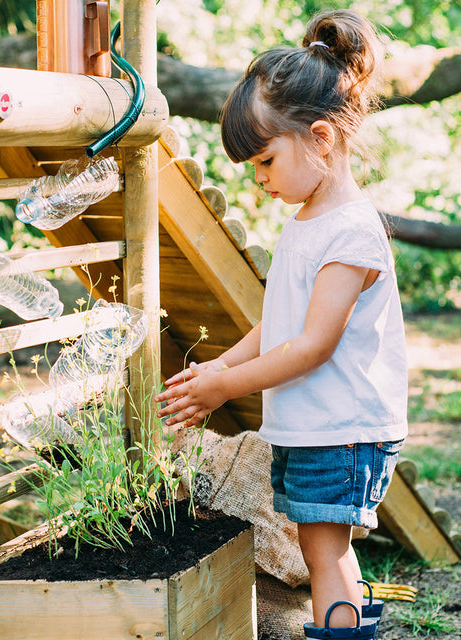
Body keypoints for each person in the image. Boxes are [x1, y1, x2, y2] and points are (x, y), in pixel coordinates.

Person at [154, 9, 408, 637]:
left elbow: (314, 345)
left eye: (265, 161)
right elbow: (279, 322)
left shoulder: (350, 232)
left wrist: (224, 389)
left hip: (343, 430)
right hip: (315, 425)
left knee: (324, 553)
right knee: (323, 550)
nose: (260, 180)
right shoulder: (306, 221)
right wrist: (221, 366)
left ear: (321, 138)